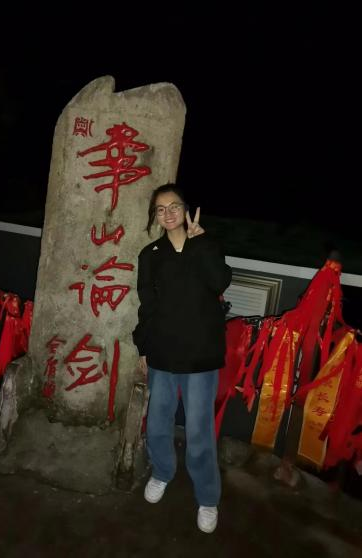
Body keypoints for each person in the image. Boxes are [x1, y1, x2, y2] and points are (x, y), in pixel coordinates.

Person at [132, 183, 232, 534]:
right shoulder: (151, 255)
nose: (168, 213)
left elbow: (220, 282)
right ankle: (162, 471)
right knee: (157, 422)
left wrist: (199, 243)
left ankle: (207, 496)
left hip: (200, 353)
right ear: (155, 217)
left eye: (174, 206)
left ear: (186, 210)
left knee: (199, 429)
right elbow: (148, 305)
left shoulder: (205, 245)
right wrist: (144, 348)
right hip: (162, 351)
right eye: (160, 209)